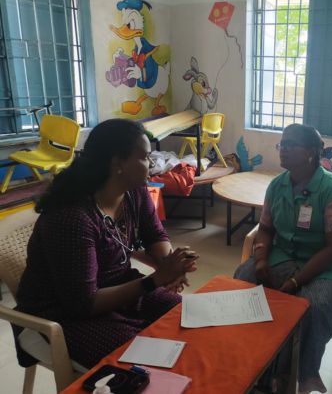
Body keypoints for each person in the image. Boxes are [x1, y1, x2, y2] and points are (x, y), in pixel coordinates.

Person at [14, 119, 198, 369]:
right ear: (118, 163)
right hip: (62, 314)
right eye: (145, 157)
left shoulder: (134, 192)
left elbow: (155, 236)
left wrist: (170, 265)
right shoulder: (71, 217)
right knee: (140, 361)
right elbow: (83, 303)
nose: (152, 163)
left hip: (117, 288)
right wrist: (156, 279)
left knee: (186, 317)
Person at [234, 124, 332, 394]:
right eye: (282, 144)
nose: (284, 149)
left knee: (315, 305)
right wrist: (261, 261)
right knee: (243, 280)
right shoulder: (277, 185)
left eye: (291, 144)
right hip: (284, 253)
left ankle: (303, 373)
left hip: (325, 262)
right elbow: (265, 229)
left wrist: (295, 281)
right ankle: (253, 358)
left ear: (312, 152)